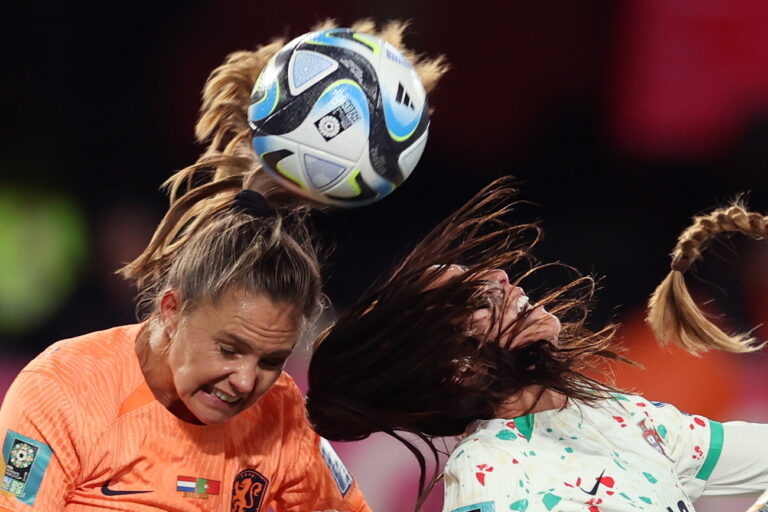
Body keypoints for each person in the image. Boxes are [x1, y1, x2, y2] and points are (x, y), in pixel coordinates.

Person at [0, 19, 445, 512]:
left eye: (272, 362)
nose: (245, 381)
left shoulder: (281, 419)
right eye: (230, 349)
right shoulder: (63, 389)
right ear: (171, 310)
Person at [306, 178, 768, 512]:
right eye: (474, 296)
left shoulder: (614, 416)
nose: (499, 277)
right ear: (458, 367)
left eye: (476, 273)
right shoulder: (492, 480)